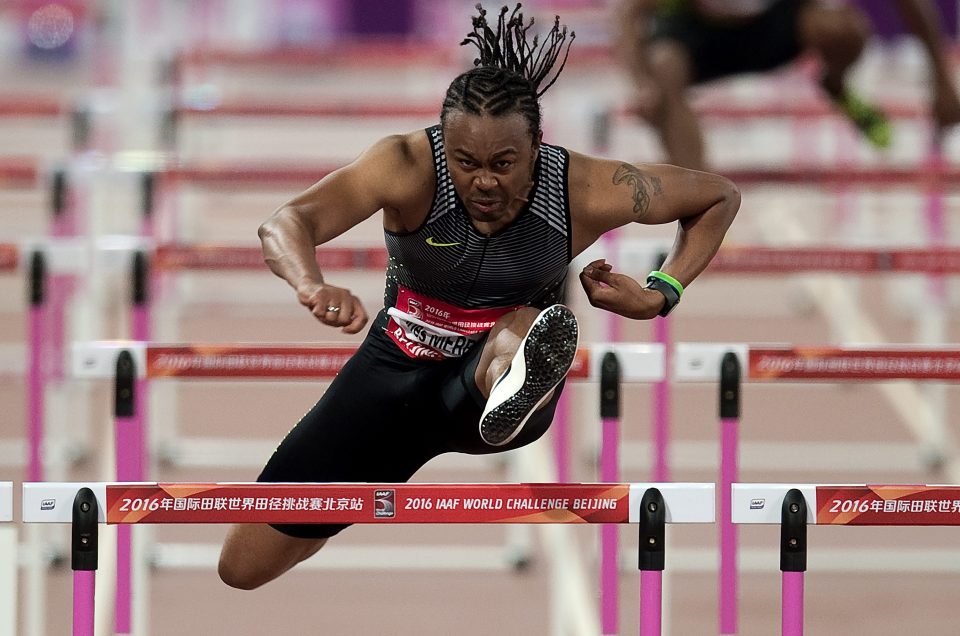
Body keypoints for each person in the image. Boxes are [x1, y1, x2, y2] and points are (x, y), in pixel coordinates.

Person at [218, 3, 740, 590]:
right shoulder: (407, 164)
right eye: (466, 163)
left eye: (504, 164)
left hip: (482, 393)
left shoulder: (585, 188)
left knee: (524, 324)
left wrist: (660, 294)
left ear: (538, 148)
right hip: (391, 372)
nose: (484, 181)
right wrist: (310, 283)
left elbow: (716, 196)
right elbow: (286, 223)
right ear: (443, 144)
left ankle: (515, 377)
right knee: (242, 568)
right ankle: (348, 493)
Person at [615, 0, 960, 171]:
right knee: (662, 70)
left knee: (840, 28)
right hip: (698, 39)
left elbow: (910, 3)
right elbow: (628, 14)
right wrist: (643, 87)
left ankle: (836, 86)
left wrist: (942, 85)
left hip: (775, 32)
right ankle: (698, 199)